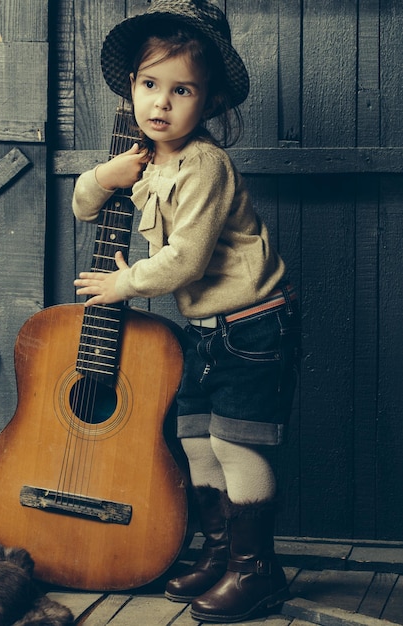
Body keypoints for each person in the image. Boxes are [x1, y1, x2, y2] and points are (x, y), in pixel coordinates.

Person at [72, 1, 301, 622]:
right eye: (150, 85)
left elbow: (186, 261)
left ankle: (258, 572)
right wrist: (103, 175)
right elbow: (83, 207)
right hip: (203, 331)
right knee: (195, 442)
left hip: (253, 323)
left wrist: (127, 286)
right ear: (132, 88)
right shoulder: (147, 158)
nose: (160, 104)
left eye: (182, 90)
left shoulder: (204, 165)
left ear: (211, 103)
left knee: (237, 448)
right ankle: (220, 550)